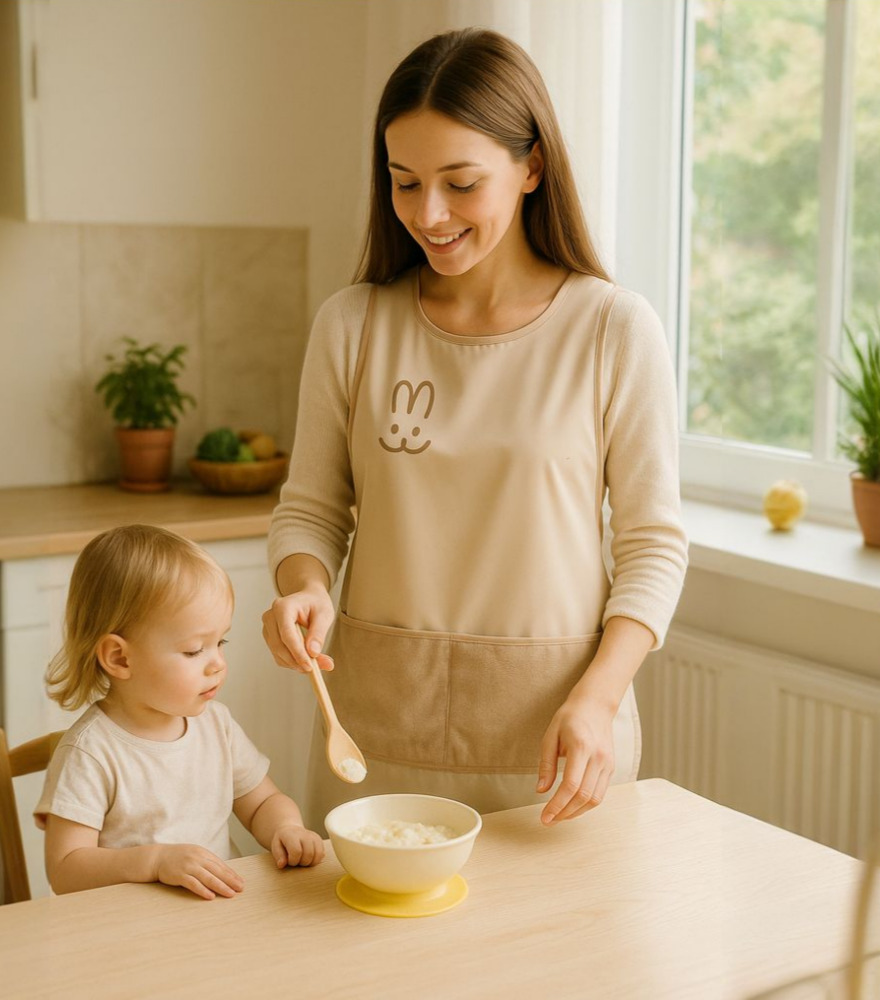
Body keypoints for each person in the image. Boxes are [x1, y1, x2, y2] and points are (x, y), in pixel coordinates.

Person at [262, 27, 689, 833]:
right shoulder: (352, 325)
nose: (429, 213)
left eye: (461, 183)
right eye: (404, 182)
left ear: (531, 166)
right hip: (376, 740)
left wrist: (599, 699)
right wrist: (304, 588)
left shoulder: (612, 328)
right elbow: (311, 510)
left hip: (559, 746)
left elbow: (653, 545)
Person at [36, 524, 324, 900]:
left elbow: (263, 803)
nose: (217, 663)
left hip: (214, 922)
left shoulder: (216, 725)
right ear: (120, 657)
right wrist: (156, 862)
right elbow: (66, 870)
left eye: (220, 642)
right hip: (127, 933)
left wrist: (286, 828)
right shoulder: (91, 753)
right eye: (193, 651)